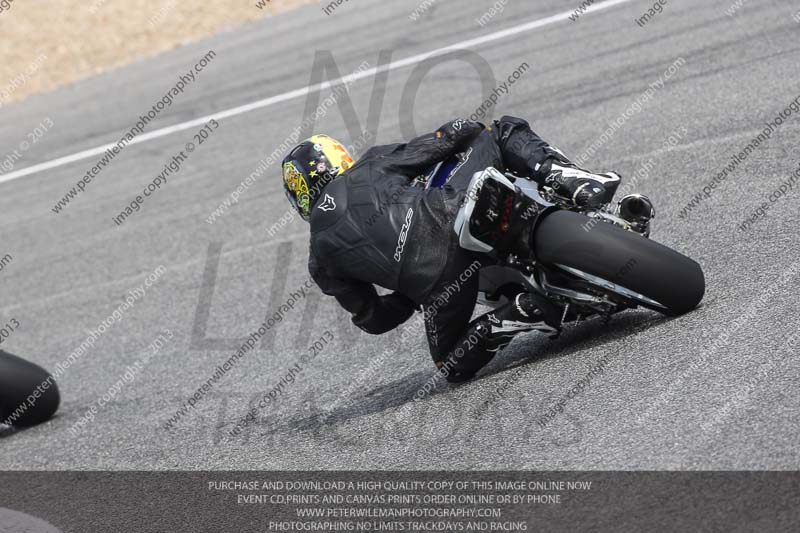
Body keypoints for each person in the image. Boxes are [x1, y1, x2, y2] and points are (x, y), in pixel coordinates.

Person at [281, 117, 621, 382]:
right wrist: (463, 128)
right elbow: (446, 139)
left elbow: (375, 319)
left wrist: (409, 292)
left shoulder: (319, 259)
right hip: (456, 211)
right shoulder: (370, 164)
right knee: (499, 130)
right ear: (339, 158)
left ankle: (518, 313)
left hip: (438, 283)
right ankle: (576, 182)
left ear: (300, 197)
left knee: (450, 363)